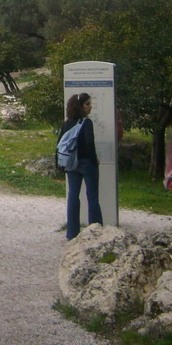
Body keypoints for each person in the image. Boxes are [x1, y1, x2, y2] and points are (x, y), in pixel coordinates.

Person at [59, 92, 103, 240]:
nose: (90, 107)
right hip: (86, 163)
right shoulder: (86, 122)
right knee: (92, 197)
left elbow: (59, 143)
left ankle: (72, 233)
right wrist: (94, 160)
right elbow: (90, 144)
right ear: (81, 106)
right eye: (87, 104)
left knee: (73, 196)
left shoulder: (67, 123)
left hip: (71, 163)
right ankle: (96, 231)